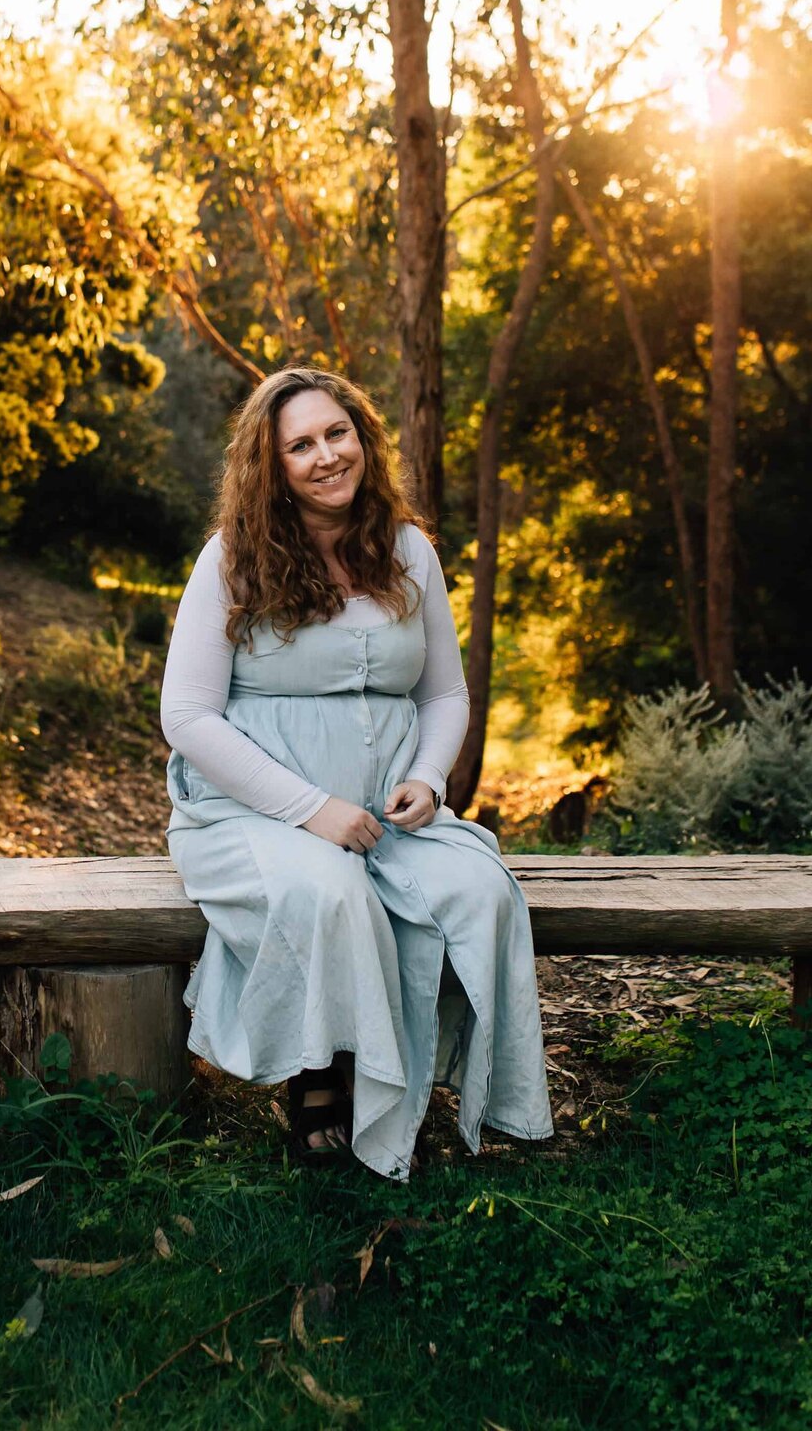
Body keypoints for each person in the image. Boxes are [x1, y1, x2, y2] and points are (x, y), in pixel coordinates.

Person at [159, 365, 553, 1179]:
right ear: (272, 466)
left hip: (386, 815)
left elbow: (444, 693)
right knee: (330, 893)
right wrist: (314, 810)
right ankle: (321, 1077)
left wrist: (430, 779)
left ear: (363, 438)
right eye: (300, 445)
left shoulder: (408, 551)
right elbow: (188, 717)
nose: (326, 455)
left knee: (481, 893)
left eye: (337, 433)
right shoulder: (232, 559)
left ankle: (447, 1085)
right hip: (250, 814)